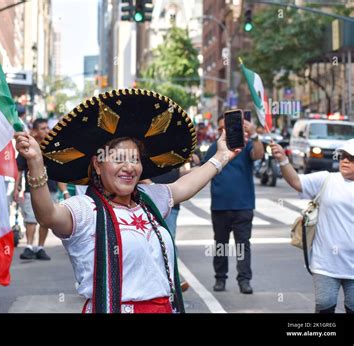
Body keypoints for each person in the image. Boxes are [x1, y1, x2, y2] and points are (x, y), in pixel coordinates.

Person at [14, 89, 241, 313]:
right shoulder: (85, 209)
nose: (130, 167)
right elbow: (47, 215)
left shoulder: (148, 200)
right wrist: (35, 163)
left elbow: (184, 186)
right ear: (98, 164)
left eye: (135, 159)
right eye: (119, 159)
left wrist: (222, 156)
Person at [270, 138, 354, 313]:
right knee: (325, 305)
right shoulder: (327, 179)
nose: (345, 160)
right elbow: (296, 182)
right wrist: (283, 160)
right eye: (342, 156)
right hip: (326, 262)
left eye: (351, 158)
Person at [202, 114, 264, 294]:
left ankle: (244, 280)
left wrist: (253, 135)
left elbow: (258, 154)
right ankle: (220, 278)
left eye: (226, 128)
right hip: (220, 205)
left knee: (242, 245)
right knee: (220, 244)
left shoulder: (244, 146)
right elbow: (203, 171)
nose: (223, 131)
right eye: (220, 128)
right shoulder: (214, 147)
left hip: (243, 206)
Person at [14, 118, 69, 261]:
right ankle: (29, 247)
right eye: (43, 128)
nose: (47, 130)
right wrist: (16, 188)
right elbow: (19, 170)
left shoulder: (54, 148)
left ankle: (40, 248)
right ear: (36, 131)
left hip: (51, 190)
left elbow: (60, 174)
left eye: (47, 128)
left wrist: (65, 191)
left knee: (47, 220)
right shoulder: (27, 148)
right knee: (31, 219)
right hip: (30, 190)